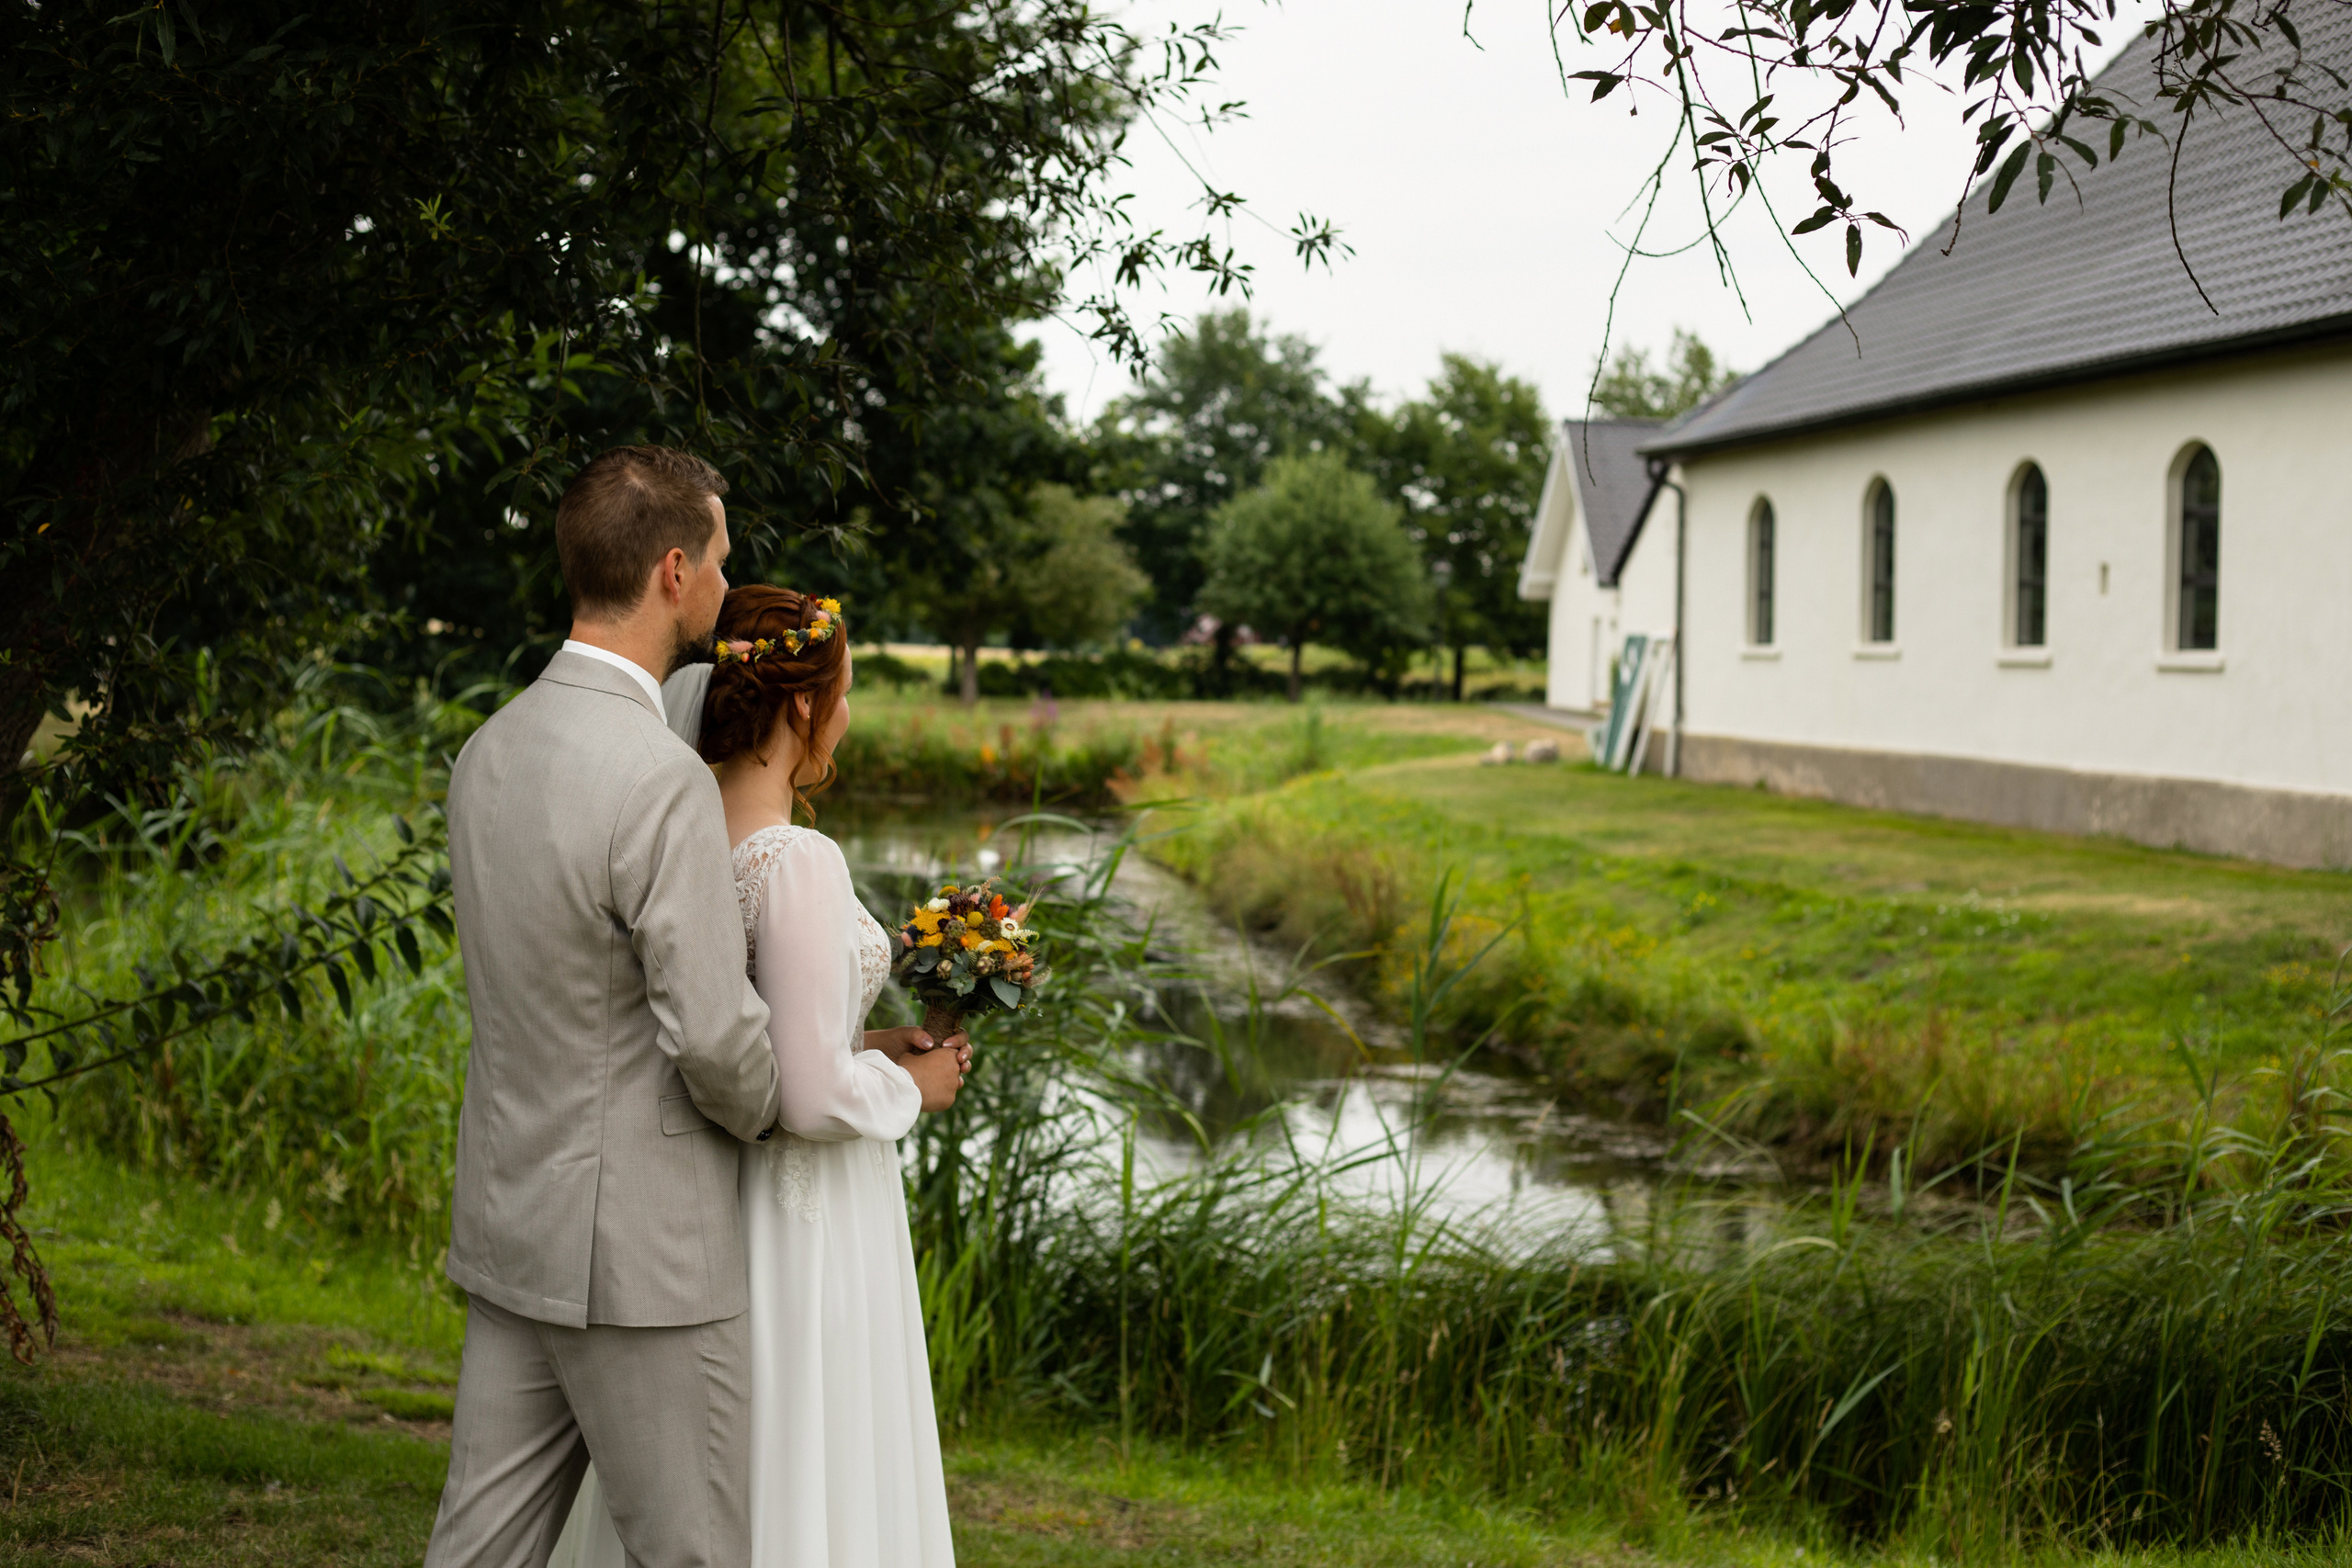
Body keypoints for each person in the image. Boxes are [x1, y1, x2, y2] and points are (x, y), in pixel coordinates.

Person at [549, 584, 966, 1568]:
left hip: (710, 1191)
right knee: (805, 1424)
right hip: (805, 1210)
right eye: (844, 693)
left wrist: (868, 1044)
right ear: (803, 704)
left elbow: (755, 1038)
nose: (847, 716)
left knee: (715, 1446)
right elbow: (811, 1099)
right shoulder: (796, 859)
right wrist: (913, 1089)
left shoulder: (684, 838)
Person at [425, 446, 785, 1568]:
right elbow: (714, 1037)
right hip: (646, 1259)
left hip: (513, 1220)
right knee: (694, 1554)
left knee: (477, 1548)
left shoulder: (488, 750)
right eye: (720, 560)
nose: (727, 583)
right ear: (673, 572)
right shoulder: (659, 775)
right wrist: (793, 1105)